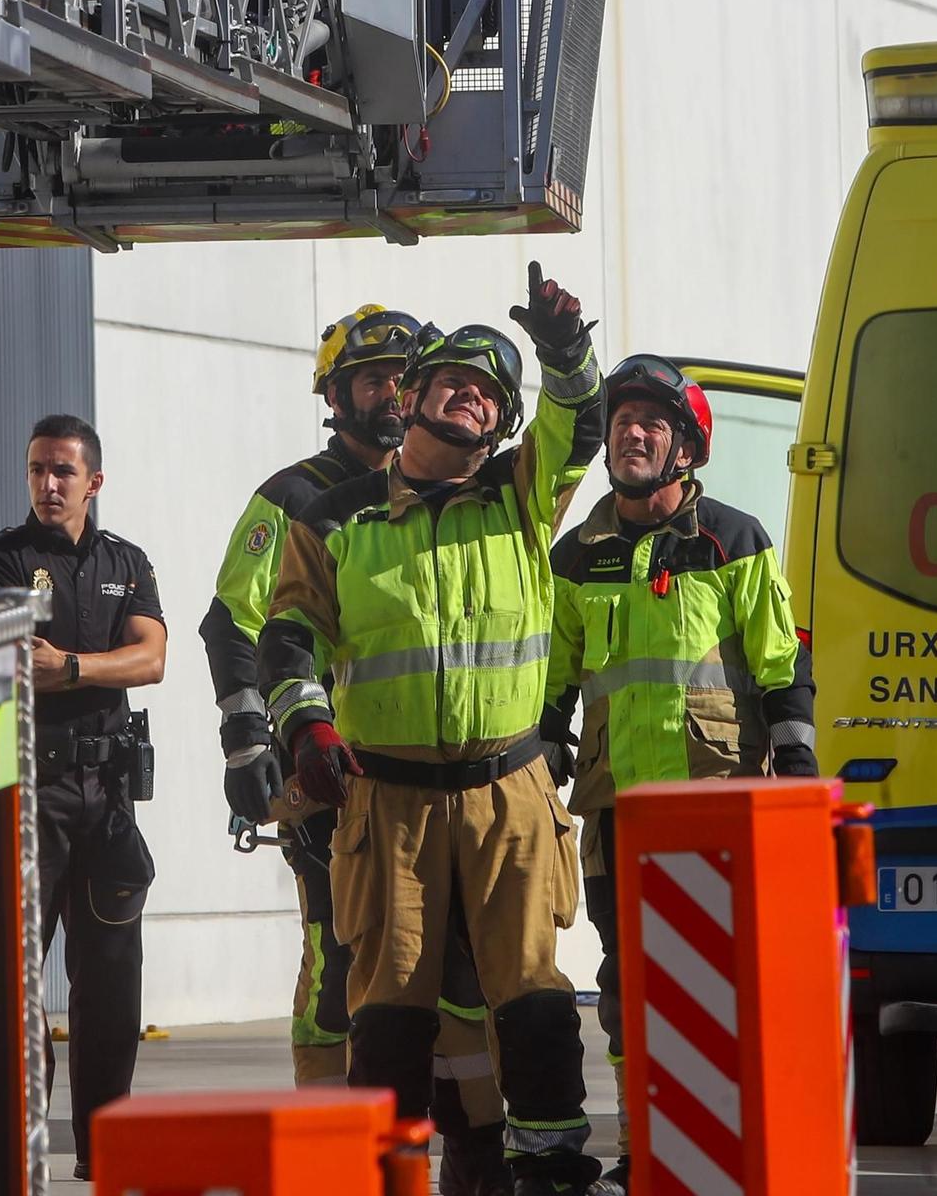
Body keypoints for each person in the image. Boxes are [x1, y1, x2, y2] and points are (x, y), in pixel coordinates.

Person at [259, 266, 606, 1196]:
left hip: (511, 797)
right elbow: (285, 634)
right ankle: (388, 1175)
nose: (474, 396)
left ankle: (547, 1167)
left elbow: (579, 427)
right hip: (389, 801)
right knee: (389, 1010)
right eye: (456, 378)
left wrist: (563, 351)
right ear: (410, 396)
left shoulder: (521, 501)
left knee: (532, 994)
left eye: (493, 393)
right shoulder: (332, 518)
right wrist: (304, 729)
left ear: (499, 426)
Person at [200, 305, 505, 1194]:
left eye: (398, 376)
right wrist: (246, 738)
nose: (386, 391)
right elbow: (234, 621)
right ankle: (328, 1148)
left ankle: (468, 1143)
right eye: (368, 377)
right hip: (325, 772)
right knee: (339, 953)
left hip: (430, 774)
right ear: (334, 397)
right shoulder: (294, 498)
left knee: (456, 965)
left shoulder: (455, 489)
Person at [541, 355, 819, 1196]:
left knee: (721, 985)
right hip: (617, 812)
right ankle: (645, 1156)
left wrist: (797, 769)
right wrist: (538, 762)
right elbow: (550, 685)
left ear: (686, 451)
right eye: (623, 418)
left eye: (652, 423)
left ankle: (733, 1148)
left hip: (715, 809)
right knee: (627, 988)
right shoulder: (572, 558)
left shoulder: (733, 541)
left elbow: (781, 667)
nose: (631, 431)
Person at [0, 415, 165, 1183]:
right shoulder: (0, 558)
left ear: (94, 482)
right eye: (37, 470)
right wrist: (71, 666)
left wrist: (75, 667)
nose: (48, 485)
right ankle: (22, 1148)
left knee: (110, 982)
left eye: (63, 473)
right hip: (29, 795)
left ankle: (104, 1146)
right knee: (17, 984)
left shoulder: (126, 561)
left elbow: (151, 658)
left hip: (108, 797)